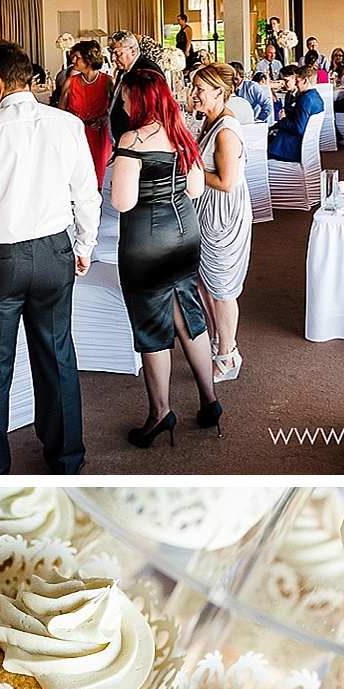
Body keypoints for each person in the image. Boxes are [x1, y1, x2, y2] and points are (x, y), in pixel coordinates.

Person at [0, 40, 100, 475]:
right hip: (55, 253)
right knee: (57, 358)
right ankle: (68, 459)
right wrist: (85, 246)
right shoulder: (67, 124)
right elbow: (86, 195)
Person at [110, 66, 218, 447]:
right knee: (188, 312)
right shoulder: (181, 133)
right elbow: (193, 190)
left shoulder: (132, 139)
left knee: (152, 325)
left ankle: (160, 413)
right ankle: (210, 399)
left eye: (124, 96)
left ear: (137, 100)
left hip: (147, 242)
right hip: (186, 234)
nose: (121, 101)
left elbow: (123, 201)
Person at [188, 64, 251, 384]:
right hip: (206, 211)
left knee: (222, 287)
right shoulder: (208, 122)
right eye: (193, 87)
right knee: (204, 284)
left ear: (219, 92)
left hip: (223, 216)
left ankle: (228, 355)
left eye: (200, 89)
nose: (193, 94)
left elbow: (227, 182)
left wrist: (191, 171)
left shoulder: (225, 131)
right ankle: (218, 344)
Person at [56, 40, 113, 187]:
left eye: (77, 57)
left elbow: (117, 109)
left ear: (89, 59)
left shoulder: (107, 82)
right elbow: (61, 112)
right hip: (76, 135)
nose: (73, 60)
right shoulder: (70, 82)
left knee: (99, 178)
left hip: (99, 135)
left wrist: (104, 118)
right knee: (78, 179)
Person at [106, 31, 158, 147]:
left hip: (138, 141)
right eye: (112, 53)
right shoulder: (123, 69)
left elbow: (152, 109)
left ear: (133, 51)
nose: (113, 58)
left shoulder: (148, 71)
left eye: (117, 54)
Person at [268, 64, 322, 163]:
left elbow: (299, 129)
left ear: (305, 80)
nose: (296, 84)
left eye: (297, 81)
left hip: (290, 147)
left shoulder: (305, 99)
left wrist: (283, 119)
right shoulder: (318, 97)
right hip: (305, 144)